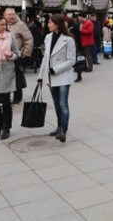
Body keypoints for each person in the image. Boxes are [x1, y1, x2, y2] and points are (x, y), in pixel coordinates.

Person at [38, 14, 76, 143]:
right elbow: (46, 58)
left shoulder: (69, 39)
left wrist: (55, 69)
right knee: (56, 105)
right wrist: (40, 77)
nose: (48, 24)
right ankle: (59, 126)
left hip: (63, 75)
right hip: (50, 76)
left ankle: (63, 130)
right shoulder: (48, 37)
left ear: (57, 24)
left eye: (50, 22)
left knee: (63, 104)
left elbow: (72, 61)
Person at [4, 7, 33, 104]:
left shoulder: (20, 25)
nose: (12, 16)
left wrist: (24, 54)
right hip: (4, 56)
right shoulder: (2, 24)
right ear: (5, 15)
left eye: (13, 14)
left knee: (16, 76)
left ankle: (17, 97)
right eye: (9, 14)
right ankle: (5, 96)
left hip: (16, 55)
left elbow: (29, 39)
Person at [67, 17, 83, 83]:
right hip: (75, 46)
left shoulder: (74, 28)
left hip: (76, 46)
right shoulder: (73, 27)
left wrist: (79, 46)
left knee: (77, 61)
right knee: (75, 61)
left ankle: (79, 76)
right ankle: (78, 75)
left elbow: (78, 37)